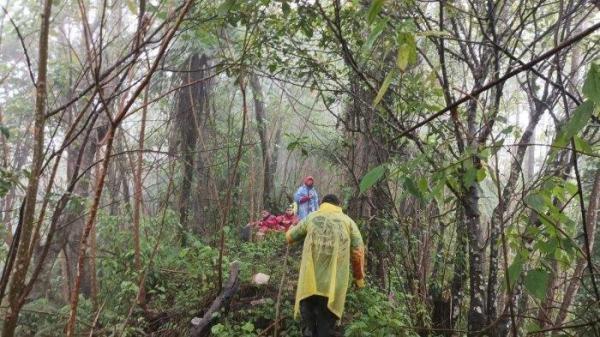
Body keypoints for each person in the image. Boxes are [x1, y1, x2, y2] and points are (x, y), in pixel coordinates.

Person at [286, 194, 365, 337]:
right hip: (333, 287)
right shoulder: (348, 222)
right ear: (339, 205)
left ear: (321, 203)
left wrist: (291, 228)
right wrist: (358, 278)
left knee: (308, 327)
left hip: (309, 284)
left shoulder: (312, 217)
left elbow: (290, 237)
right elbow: (358, 252)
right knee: (325, 328)